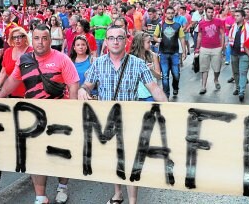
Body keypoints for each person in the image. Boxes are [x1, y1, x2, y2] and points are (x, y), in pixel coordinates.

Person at [77, 25, 167, 204]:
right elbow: (88, 85)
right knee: (113, 160)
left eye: (119, 38)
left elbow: (154, 88)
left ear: (126, 40)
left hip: (130, 121)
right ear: (107, 41)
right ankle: (117, 194)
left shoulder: (137, 63)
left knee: (131, 161)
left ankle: (132, 200)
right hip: (107, 123)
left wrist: (170, 110)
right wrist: (82, 89)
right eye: (111, 38)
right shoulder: (99, 63)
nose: (115, 41)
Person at [0, 24, 79, 204]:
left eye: (44, 38)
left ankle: (62, 186)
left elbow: (73, 85)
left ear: (50, 40)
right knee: (35, 156)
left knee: (61, 153)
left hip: (60, 115)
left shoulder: (62, 59)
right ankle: (40, 196)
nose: (40, 42)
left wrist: (73, 112)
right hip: (33, 116)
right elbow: (12, 80)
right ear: (32, 40)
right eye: (37, 38)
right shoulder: (24, 59)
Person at [154, 6, 187, 98]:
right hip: (163, 53)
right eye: (168, 13)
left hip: (175, 54)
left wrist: (184, 51)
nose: (170, 14)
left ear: (174, 13)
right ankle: (166, 94)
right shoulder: (160, 25)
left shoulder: (177, 25)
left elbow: (182, 38)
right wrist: (157, 40)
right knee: (165, 76)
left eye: (172, 13)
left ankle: (175, 87)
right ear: (165, 14)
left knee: (176, 74)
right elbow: (154, 36)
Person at [195, 6, 225, 95]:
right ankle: (203, 86)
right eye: (209, 12)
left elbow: (222, 34)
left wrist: (222, 46)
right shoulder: (201, 23)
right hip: (204, 48)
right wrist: (197, 48)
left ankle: (216, 79)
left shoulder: (218, 21)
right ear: (205, 12)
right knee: (204, 68)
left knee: (217, 68)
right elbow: (199, 36)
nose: (211, 14)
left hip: (216, 48)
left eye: (212, 12)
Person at [0, 27, 33, 98]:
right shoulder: (8, 52)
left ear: (25, 37)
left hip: (29, 92)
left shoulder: (32, 52)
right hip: (11, 92)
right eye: (14, 37)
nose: (17, 40)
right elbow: (3, 71)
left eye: (19, 37)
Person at [228, 9, 249, 102]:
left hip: (244, 54)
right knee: (235, 72)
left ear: (243, 17)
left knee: (243, 73)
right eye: (235, 15)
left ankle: (241, 92)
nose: (235, 17)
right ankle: (238, 88)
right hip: (234, 53)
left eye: (238, 16)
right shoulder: (232, 26)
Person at [132, 32, 162, 101]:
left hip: (150, 94)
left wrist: (151, 69)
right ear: (141, 43)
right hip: (136, 95)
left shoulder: (153, 55)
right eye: (148, 42)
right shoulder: (131, 58)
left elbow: (159, 76)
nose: (151, 44)